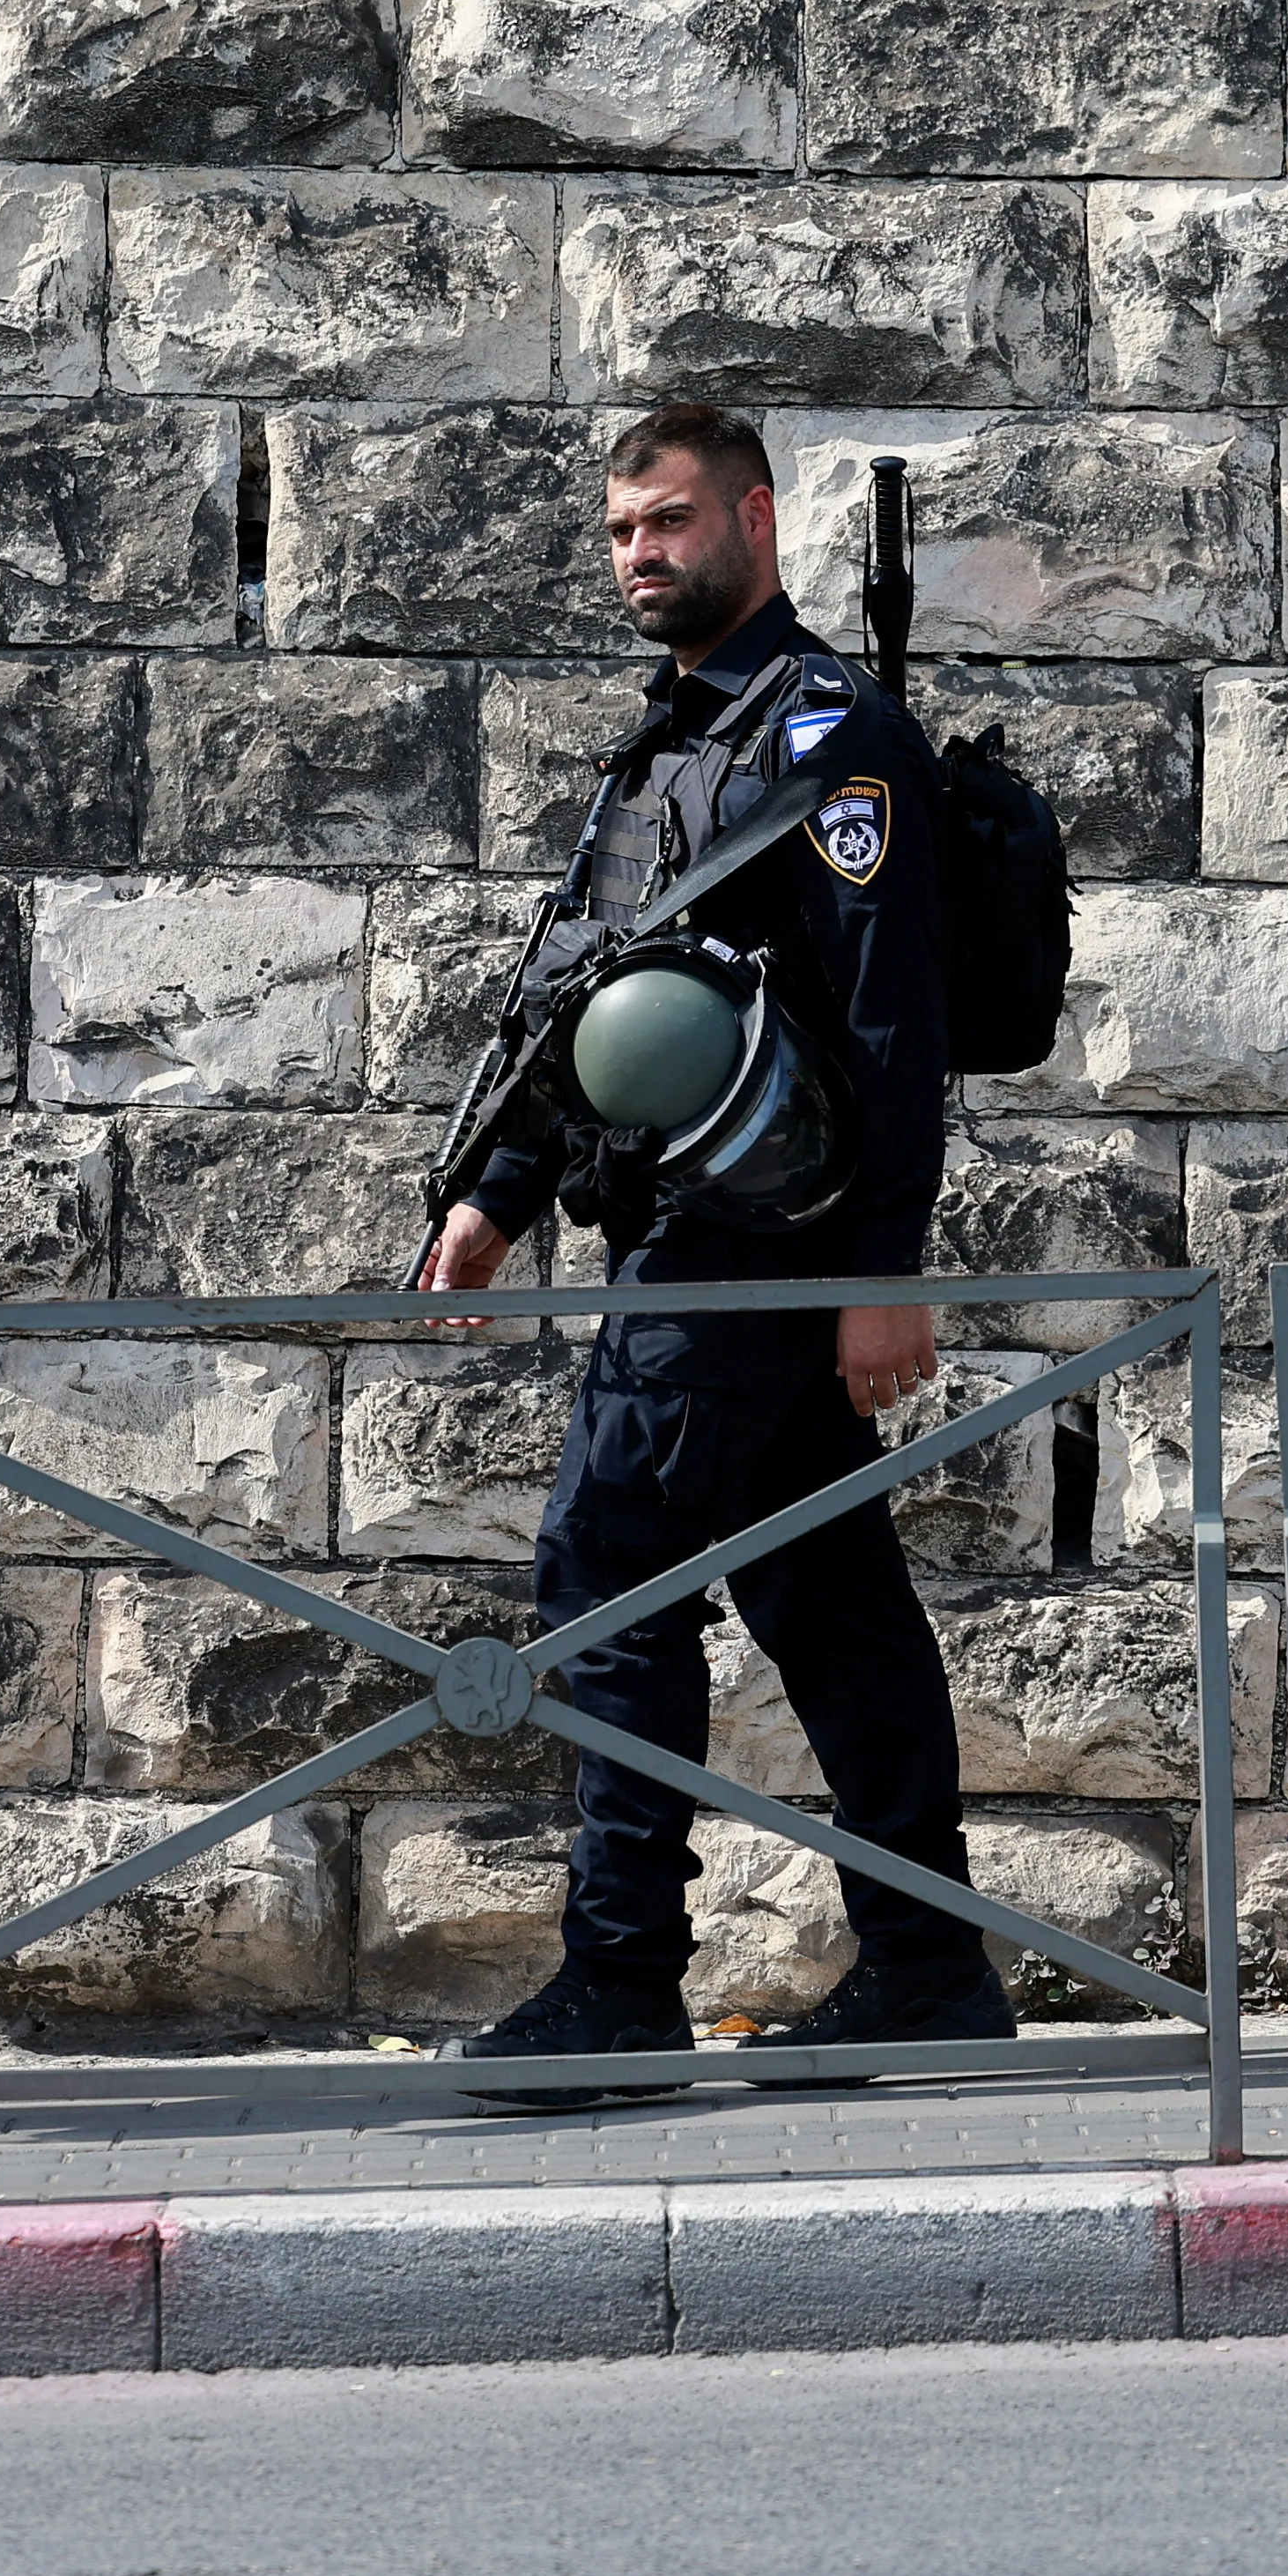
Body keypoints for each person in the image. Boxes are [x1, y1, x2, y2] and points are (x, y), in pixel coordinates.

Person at [420, 403, 1004, 2103]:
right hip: (681, 1222)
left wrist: (880, 1270)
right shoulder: (665, 750)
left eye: (668, 520)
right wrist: (501, 1188)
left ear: (754, 515)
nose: (640, 554)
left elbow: (892, 1028)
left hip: (766, 1243)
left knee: (608, 1565)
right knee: (830, 1599)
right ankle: (925, 1962)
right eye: (618, 532)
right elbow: (601, 998)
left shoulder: (835, 734)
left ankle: (621, 1978)